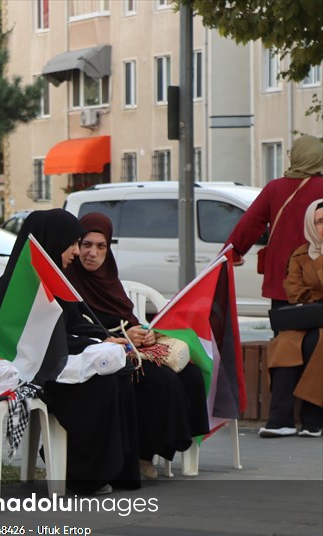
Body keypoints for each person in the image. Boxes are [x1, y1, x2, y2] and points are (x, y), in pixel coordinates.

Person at [0, 209, 141, 495]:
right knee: (102, 384)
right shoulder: (22, 285)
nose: (75, 251)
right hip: (32, 369)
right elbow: (34, 341)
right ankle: (82, 474)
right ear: (52, 241)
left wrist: (106, 339)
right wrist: (95, 345)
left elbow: (72, 326)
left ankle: (119, 471)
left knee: (121, 373)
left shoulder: (54, 278)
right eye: (72, 243)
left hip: (56, 361)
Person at [67, 213, 210, 479]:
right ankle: (142, 453)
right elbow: (75, 328)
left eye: (101, 246)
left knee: (190, 374)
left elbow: (129, 321)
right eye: (86, 245)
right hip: (98, 356)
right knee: (160, 380)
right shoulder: (69, 281)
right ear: (76, 245)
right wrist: (117, 336)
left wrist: (145, 335)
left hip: (129, 352)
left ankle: (157, 449)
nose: (92, 253)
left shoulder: (110, 281)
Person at [225, 135, 323, 332]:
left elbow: (250, 223)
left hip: (282, 279)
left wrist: (232, 253)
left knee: (284, 340)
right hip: (318, 277)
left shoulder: (274, 188)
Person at [261, 201, 323, 438]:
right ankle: (280, 419)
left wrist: (318, 260)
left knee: (317, 342)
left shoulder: (310, 257)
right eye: (319, 222)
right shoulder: (299, 255)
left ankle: (312, 419)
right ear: (310, 224)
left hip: (316, 322)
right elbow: (294, 292)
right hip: (307, 317)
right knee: (284, 344)